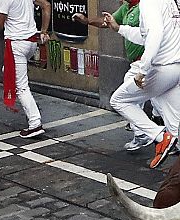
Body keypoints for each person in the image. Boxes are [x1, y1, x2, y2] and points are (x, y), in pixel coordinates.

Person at [104, 1, 180, 169]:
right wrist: (119, 29)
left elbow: (155, 34)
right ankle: (168, 139)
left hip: (162, 69)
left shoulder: (149, 3)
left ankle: (160, 137)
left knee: (119, 100)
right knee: (176, 129)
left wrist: (143, 70)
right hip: (175, 69)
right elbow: (146, 34)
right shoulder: (167, 2)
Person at [74, 1, 151, 152]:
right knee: (162, 104)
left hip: (145, 62)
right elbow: (106, 22)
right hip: (139, 63)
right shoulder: (126, 8)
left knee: (125, 98)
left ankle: (143, 134)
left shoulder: (147, 7)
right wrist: (87, 20)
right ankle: (168, 139)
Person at [0, 0, 50, 138]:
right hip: (31, 42)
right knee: (9, 71)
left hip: (17, 43)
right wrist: (43, 31)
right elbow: (46, 5)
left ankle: (35, 122)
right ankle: (33, 120)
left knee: (21, 87)